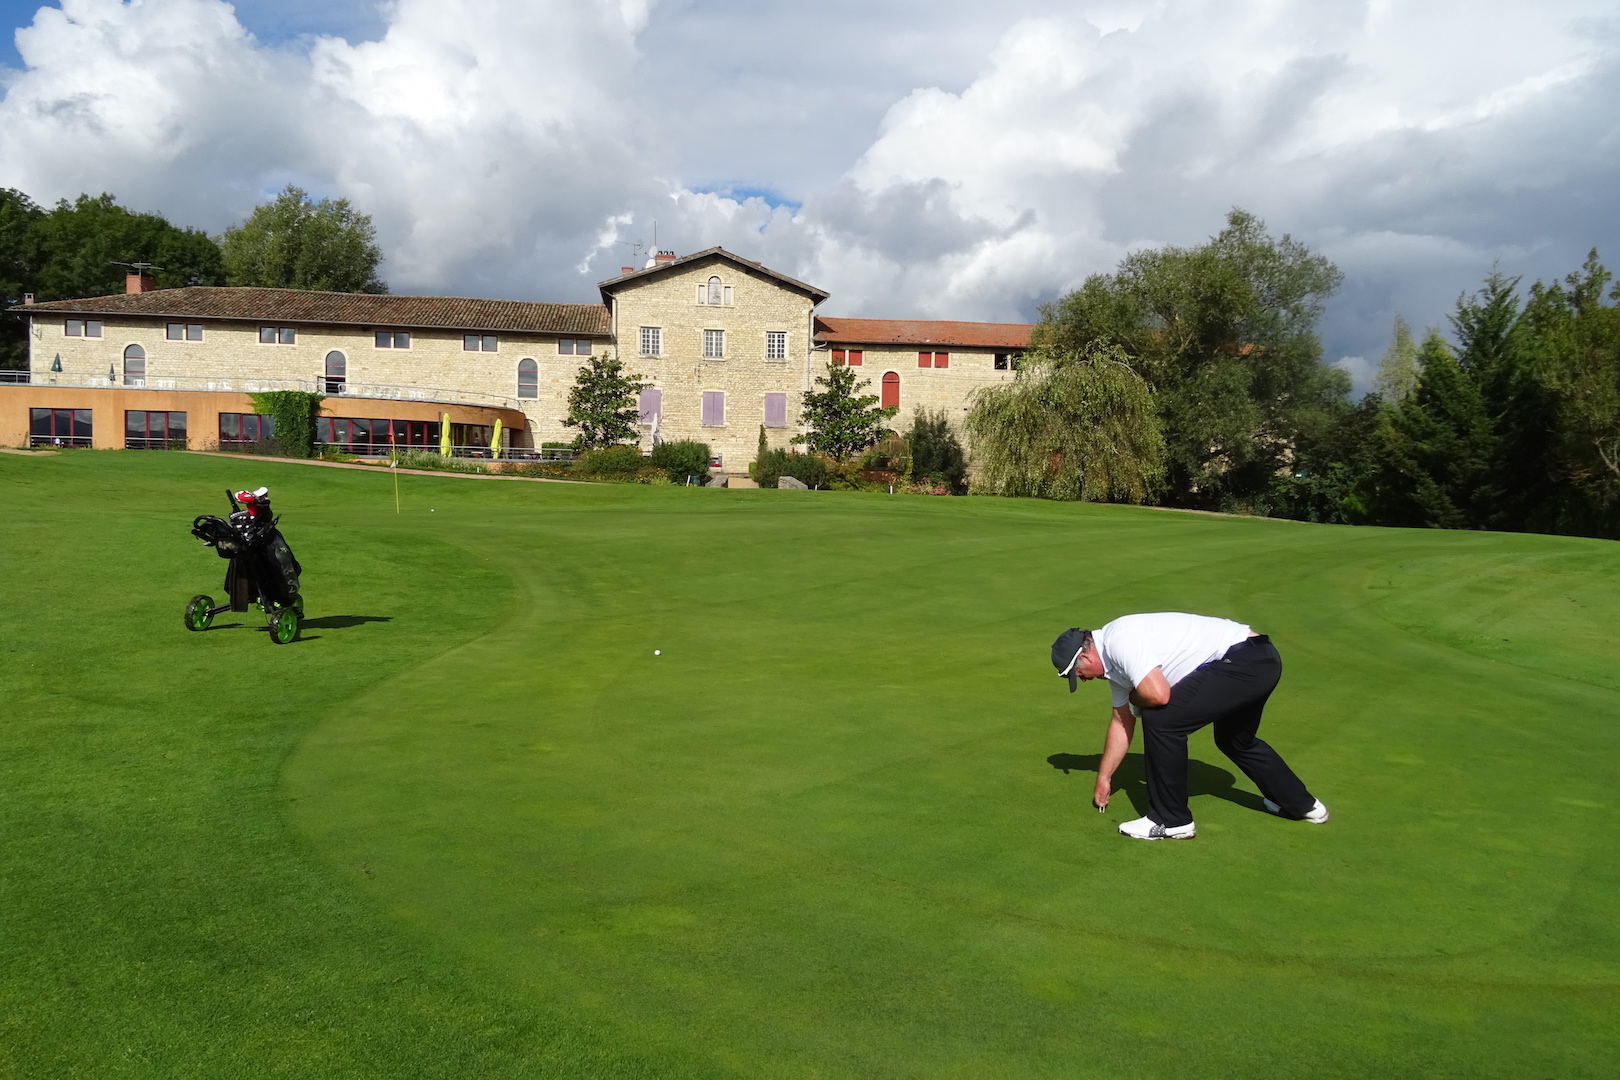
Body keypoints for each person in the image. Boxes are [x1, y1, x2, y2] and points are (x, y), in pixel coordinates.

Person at [1050, 613, 1327, 840]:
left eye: (1077, 675)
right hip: (1261, 660)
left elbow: (1158, 695)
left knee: (1161, 720)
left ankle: (1171, 820)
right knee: (1235, 739)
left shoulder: (1119, 640)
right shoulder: (1114, 667)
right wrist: (1105, 777)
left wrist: (1136, 696)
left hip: (1243, 660)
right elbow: (1121, 721)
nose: (1082, 681)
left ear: (1084, 658)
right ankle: (1302, 805)